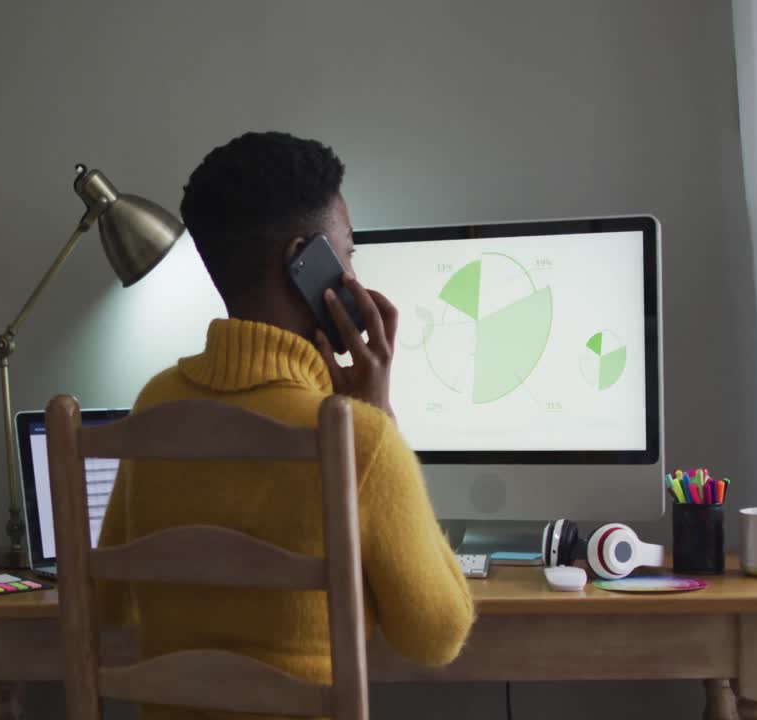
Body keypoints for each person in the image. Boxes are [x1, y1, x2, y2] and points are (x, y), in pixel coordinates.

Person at [96, 131, 475, 719]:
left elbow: (108, 604)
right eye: (347, 254)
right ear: (304, 262)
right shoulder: (358, 436)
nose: (351, 273)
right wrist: (382, 417)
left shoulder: (154, 408)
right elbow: (437, 637)